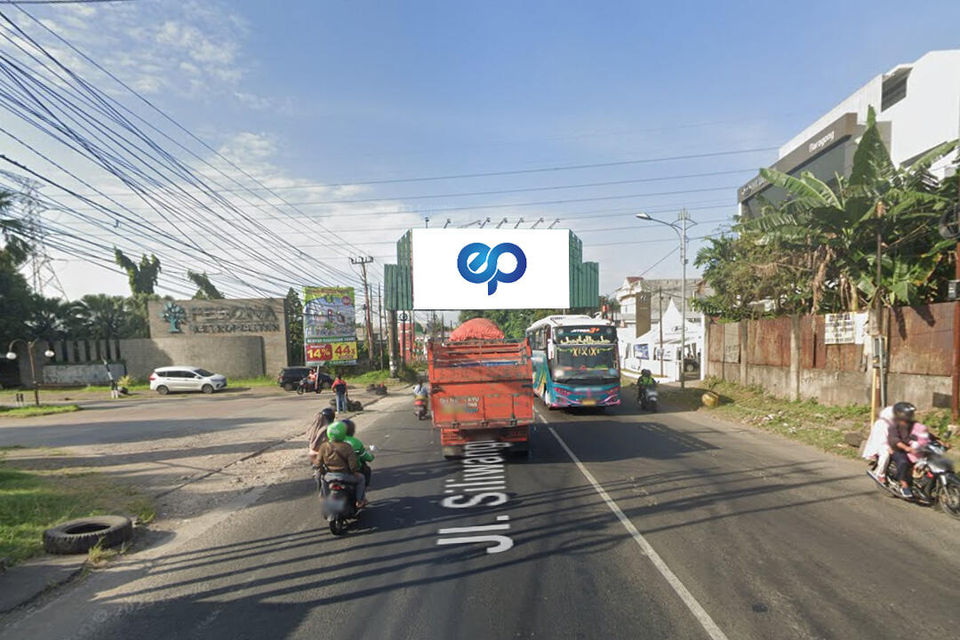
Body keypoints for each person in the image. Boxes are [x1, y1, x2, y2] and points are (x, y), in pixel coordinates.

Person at [317, 421, 366, 507]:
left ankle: (324, 497)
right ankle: (359, 501)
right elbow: (353, 465)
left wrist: (322, 471)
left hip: (329, 476)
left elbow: (318, 463)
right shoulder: (347, 447)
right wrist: (354, 472)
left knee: (322, 479)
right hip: (345, 476)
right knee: (361, 478)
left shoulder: (324, 446)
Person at [887, 401, 918, 499]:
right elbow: (895, 440)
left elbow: (923, 433)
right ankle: (904, 484)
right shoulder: (894, 425)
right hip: (898, 450)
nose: (911, 416)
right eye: (908, 414)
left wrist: (938, 441)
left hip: (912, 448)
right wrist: (907, 448)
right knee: (903, 462)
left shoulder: (912, 424)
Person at [863, 405, 895, 483]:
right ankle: (880, 473)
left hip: (894, 443)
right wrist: (888, 447)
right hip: (881, 445)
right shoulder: (881, 423)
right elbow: (881, 438)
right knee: (885, 454)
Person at [343, 418, 374, 487]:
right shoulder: (355, 442)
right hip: (353, 470)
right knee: (364, 476)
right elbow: (364, 456)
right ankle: (361, 497)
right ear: (352, 431)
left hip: (333, 470)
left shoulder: (331, 442)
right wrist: (371, 457)